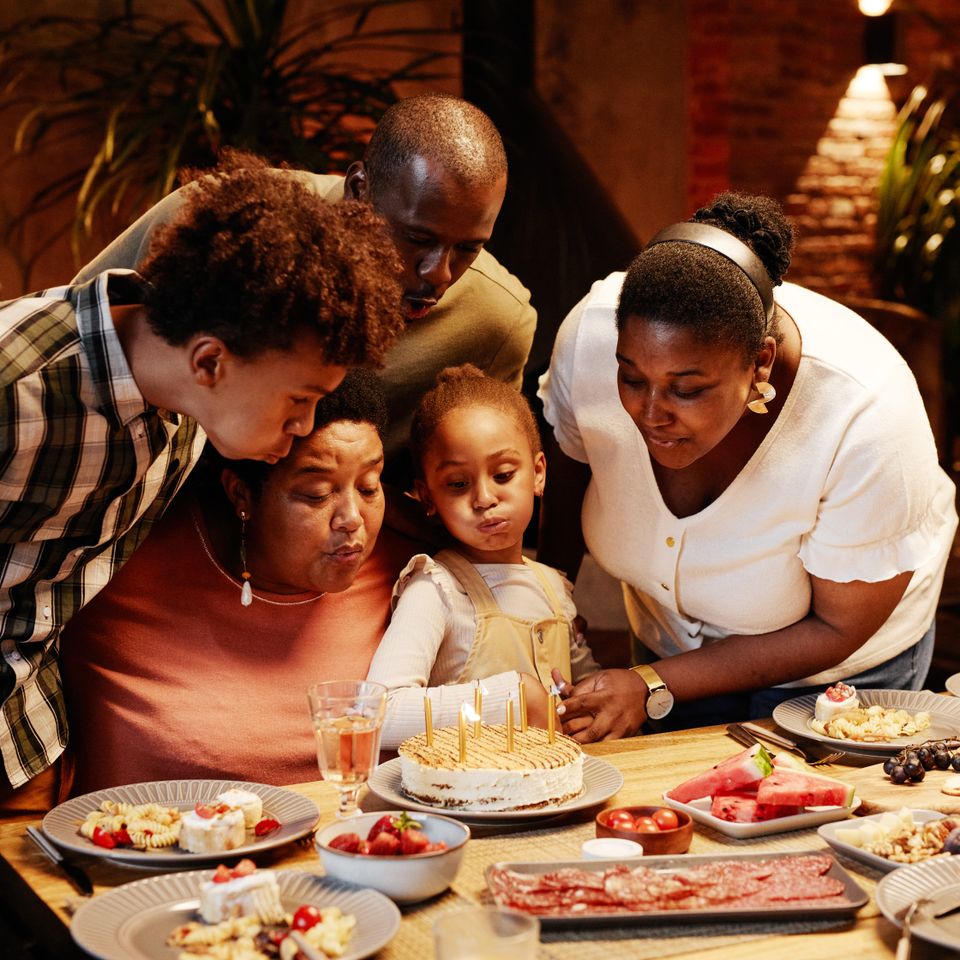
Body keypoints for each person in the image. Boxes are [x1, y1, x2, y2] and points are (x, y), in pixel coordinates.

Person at [0, 152, 404, 806]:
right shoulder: (17, 386)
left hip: (28, 747)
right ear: (211, 361)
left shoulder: (194, 415)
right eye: (299, 401)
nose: (305, 427)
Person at [537, 192, 959, 741]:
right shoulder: (590, 337)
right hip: (660, 652)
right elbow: (568, 479)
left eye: (686, 389)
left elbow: (838, 625)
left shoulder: (864, 412)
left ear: (760, 360)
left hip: (830, 673)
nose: (648, 413)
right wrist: (545, 611)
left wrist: (651, 682)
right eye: (632, 378)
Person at [74, 94, 537, 488]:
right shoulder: (225, 221)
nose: (438, 274)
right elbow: (76, 341)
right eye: (416, 239)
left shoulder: (496, 320)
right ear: (360, 188)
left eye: (468, 249)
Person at [59, 371, 420, 793]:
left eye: (369, 486)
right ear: (241, 495)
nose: (352, 519)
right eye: (317, 494)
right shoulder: (120, 561)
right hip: (138, 847)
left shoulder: (411, 573)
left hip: (356, 848)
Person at [367, 365, 599, 749]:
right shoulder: (436, 588)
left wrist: (592, 704)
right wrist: (513, 698)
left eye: (504, 474)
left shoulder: (554, 587)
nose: (484, 498)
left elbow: (586, 685)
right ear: (427, 497)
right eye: (458, 484)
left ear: (539, 473)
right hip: (464, 800)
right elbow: (380, 714)